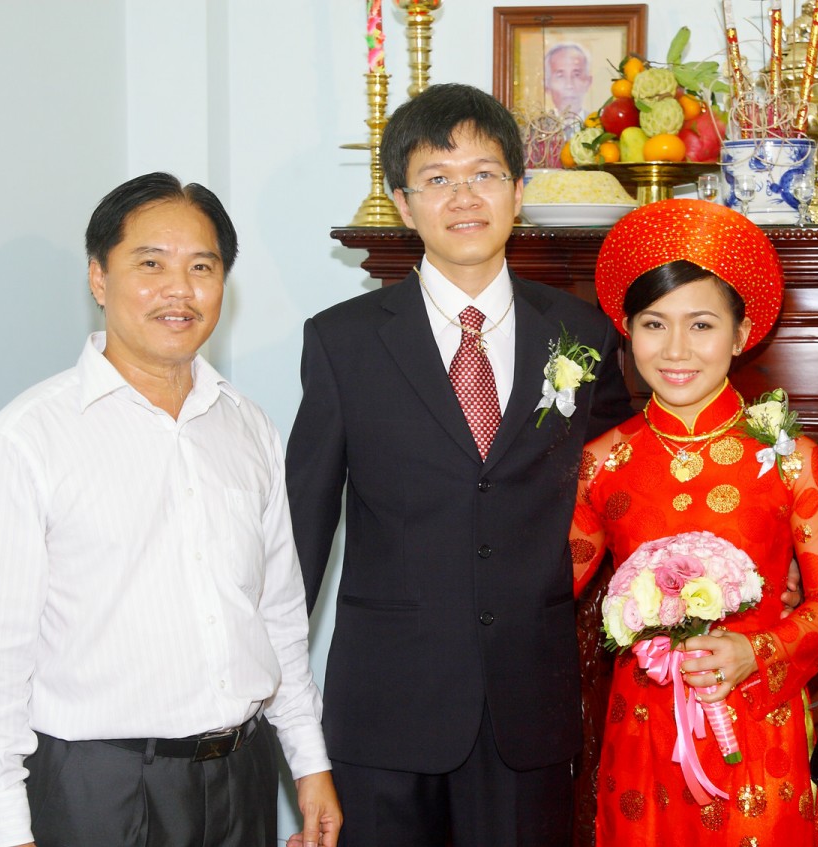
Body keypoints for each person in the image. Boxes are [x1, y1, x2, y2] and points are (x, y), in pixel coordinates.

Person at [285, 83, 634, 846]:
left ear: (518, 190)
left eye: (484, 174)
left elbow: (625, 499)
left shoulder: (581, 332)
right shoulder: (343, 341)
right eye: (437, 178)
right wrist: (281, 715)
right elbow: (302, 534)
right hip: (383, 712)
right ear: (403, 205)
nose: (464, 196)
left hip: (529, 707)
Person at [0, 172, 340, 847]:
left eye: (202, 267)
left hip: (242, 777)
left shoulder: (247, 425)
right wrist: (3, 829)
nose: (180, 289)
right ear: (98, 277)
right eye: (150, 264)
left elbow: (279, 616)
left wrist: (309, 762)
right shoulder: (24, 441)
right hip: (96, 790)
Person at [570, 198, 818, 845]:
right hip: (640, 730)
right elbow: (544, 588)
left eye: (701, 324)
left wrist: (754, 652)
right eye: (654, 324)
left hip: (756, 723)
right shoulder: (603, 461)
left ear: (740, 332)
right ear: (626, 329)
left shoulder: (789, 458)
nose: (676, 349)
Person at [544, 42, 593, 117]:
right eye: (560, 76)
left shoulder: (601, 122)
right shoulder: (534, 124)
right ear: (547, 85)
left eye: (576, 75)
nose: (569, 85)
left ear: (588, 82)